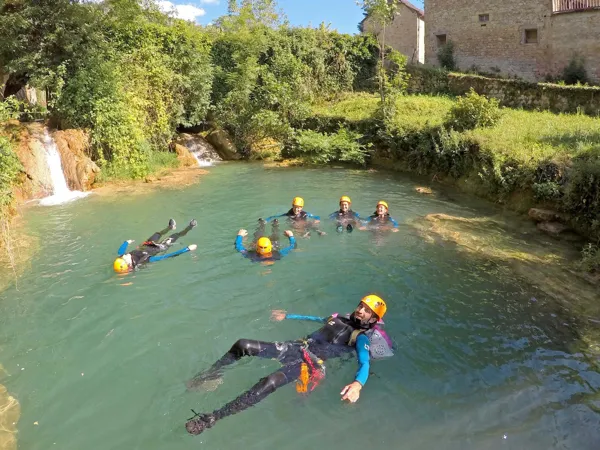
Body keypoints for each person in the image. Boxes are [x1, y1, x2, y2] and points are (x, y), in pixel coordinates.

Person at [185, 295, 393, 436]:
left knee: (270, 381)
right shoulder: (339, 318)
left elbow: (364, 362)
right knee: (242, 344)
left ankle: (213, 417)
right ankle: (212, 375)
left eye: (367, 311)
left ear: (374, 318)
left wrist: (357, 384)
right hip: (295, 347)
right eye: (361, 306)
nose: (361, 311)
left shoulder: (362, 338)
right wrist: (288, 316)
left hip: (309, 363)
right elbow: (316, 319)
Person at [113, 219, 197, 273]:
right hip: (159, 248)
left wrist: (126, 242)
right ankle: (190, 227)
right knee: (176, 235)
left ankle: (170, 227)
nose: (124, 255)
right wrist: (187, 249)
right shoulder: (144, 261)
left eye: (122, 257)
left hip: (147, 244)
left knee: (158, 233)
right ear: (128, 264)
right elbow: (167, 256)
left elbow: (120, 251)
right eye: (124, 258)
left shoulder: (122, 256)